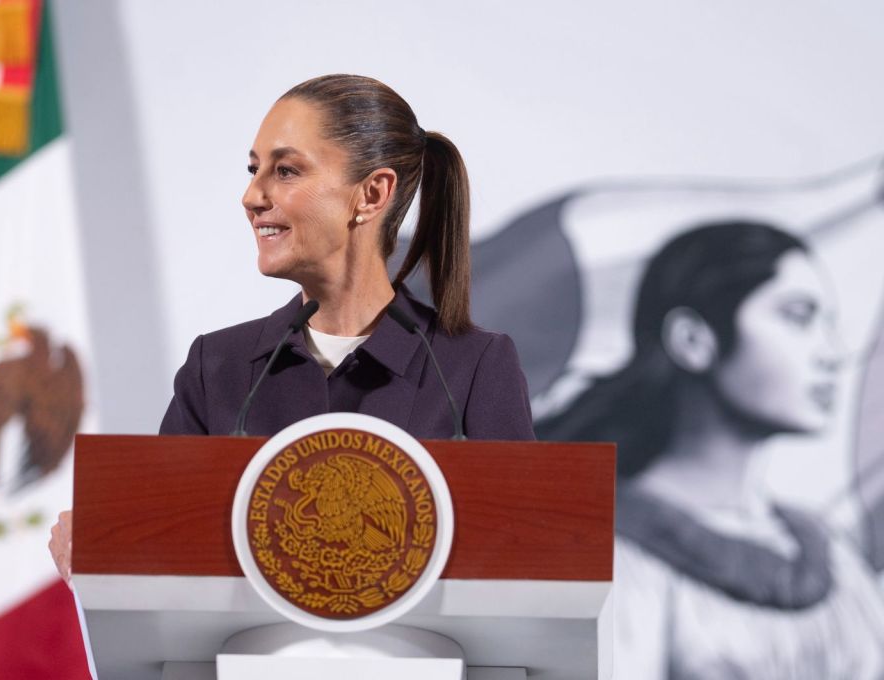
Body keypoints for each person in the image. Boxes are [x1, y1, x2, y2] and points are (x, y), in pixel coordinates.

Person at [49, 74, 534, 581]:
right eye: (254, 169)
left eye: (284, 171)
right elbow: (165, 558)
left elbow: (527, 562)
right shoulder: (218, 368)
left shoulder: (475, 369)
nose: (251, 196)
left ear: (372, 193)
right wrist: (103, 553)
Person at [536, 221, 884, 679]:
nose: (833, 353)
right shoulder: (608, 551)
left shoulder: (832, 555)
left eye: (829, 324)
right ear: (693, 340)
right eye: (799, 317)